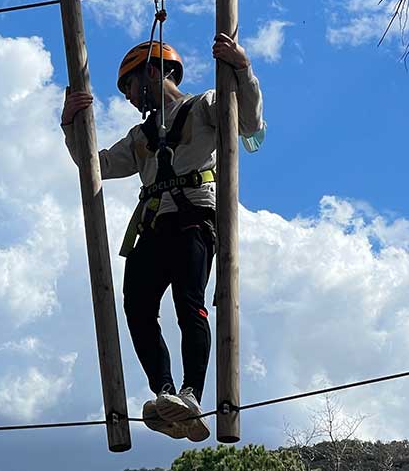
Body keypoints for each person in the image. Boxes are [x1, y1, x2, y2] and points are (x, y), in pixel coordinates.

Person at [60, 33, 265, 442]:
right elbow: (95, 165)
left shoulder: (206, 105)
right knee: (136, 307)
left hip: (194, 218)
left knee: (189, 304)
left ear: (153, 73)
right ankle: (166, 394)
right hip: (154, 225)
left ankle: (192, 393)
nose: (130, 98)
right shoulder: (143, 135)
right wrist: (70, 124)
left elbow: (250, 126)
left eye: (131, 87)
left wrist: (242, 68)